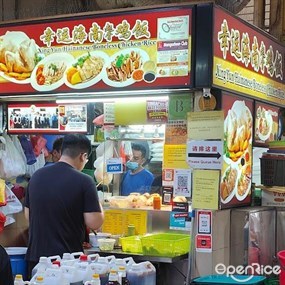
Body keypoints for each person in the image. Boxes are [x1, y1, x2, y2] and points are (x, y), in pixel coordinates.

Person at [24, 134, 104, 278]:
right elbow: (95, 223)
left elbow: (27, 216)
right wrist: (97, 200)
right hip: (66, 263)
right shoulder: (84, 181)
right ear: (83, 156)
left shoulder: (37, 176)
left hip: (36, 259)